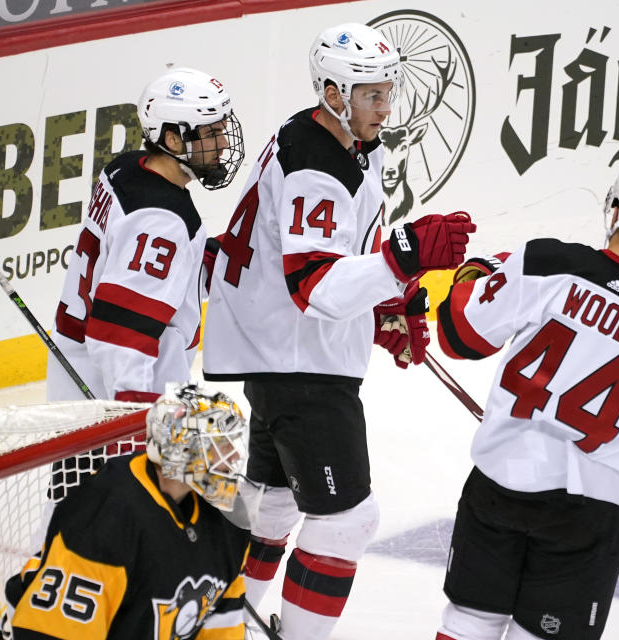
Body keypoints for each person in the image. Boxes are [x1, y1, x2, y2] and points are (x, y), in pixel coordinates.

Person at [201, 22, 476, 640]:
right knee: (348, 520)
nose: (386, 106)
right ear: (332, 93)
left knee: (267, 504)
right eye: (371, 94)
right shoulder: (314, 166)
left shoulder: (340, 144)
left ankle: (213, 620)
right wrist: (405, 258)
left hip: (282, 357)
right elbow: (317, 288)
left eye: (387, 92)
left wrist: (390, 302)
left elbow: (345, 250)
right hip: (302, 366)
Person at [433, 162, 619, 640]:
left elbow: (458, 335)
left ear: (614, 211)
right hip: (583, 515)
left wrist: (474, 275)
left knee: (467, 625)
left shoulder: (544, 260)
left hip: (496, 489)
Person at [0, 383, 253, 640]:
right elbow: (53, 632)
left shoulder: (225, 520)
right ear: (183, 448)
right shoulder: (108, 514)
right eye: (223, 445)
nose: (237, 456)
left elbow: (220, 626)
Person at [46, 66, 245, 405]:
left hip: (82, 384)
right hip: (122, 405)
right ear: (172, 139)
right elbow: (120, 337)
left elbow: (148, 272)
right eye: (211, 133)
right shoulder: (162, 220)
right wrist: (134, 419)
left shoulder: (126, 169)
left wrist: (223, 253)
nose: (223, 143)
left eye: (222, 130)